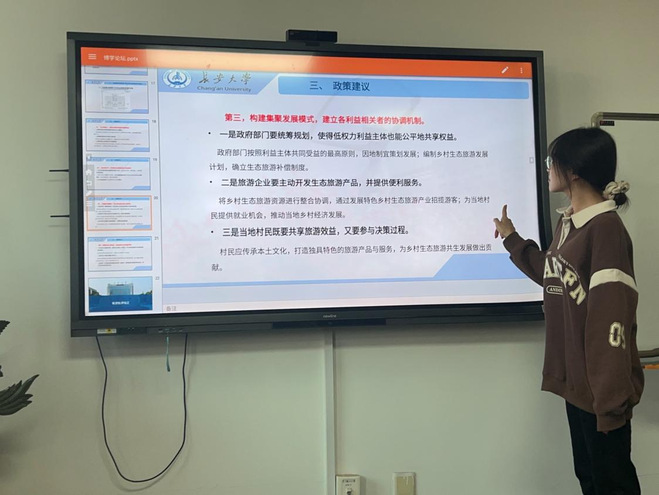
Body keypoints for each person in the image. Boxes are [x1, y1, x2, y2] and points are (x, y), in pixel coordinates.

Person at [493, 127, 644, 495]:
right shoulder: (569, 223)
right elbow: (551, 275)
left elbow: (612, 316)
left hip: (601, 391)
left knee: (613, 485)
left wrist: (608, 400)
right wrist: (512, 238)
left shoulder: (605, 229)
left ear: (574, 170)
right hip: (578, 385)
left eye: (551, 161)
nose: (547, 168)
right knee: (590, 479)